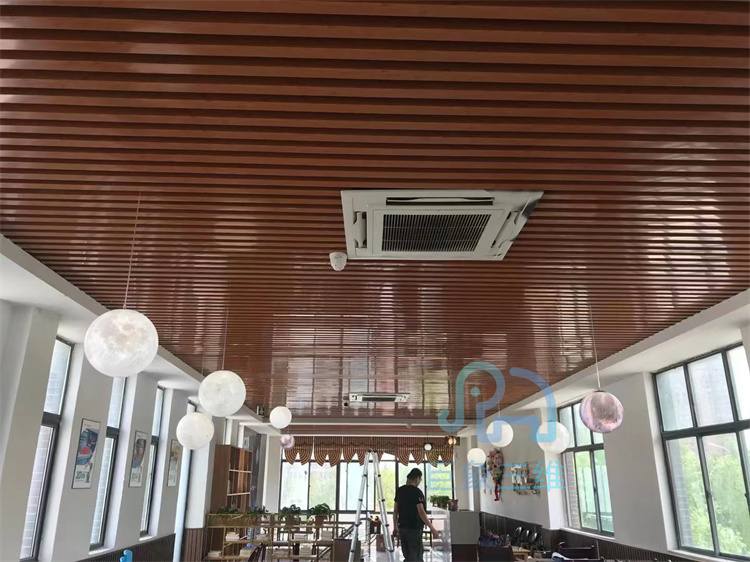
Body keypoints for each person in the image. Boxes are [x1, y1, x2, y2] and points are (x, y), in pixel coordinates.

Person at [393, 468, 439, 562]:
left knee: (408, 556)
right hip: (414, 529)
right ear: (417, 478)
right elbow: (421, 512)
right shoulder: (417, 492)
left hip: (402, 528)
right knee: (416, 557)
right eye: (420, 479)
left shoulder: (399, 491)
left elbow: (395, 510)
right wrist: (432, 528)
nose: (420, 482)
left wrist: (395, 527)